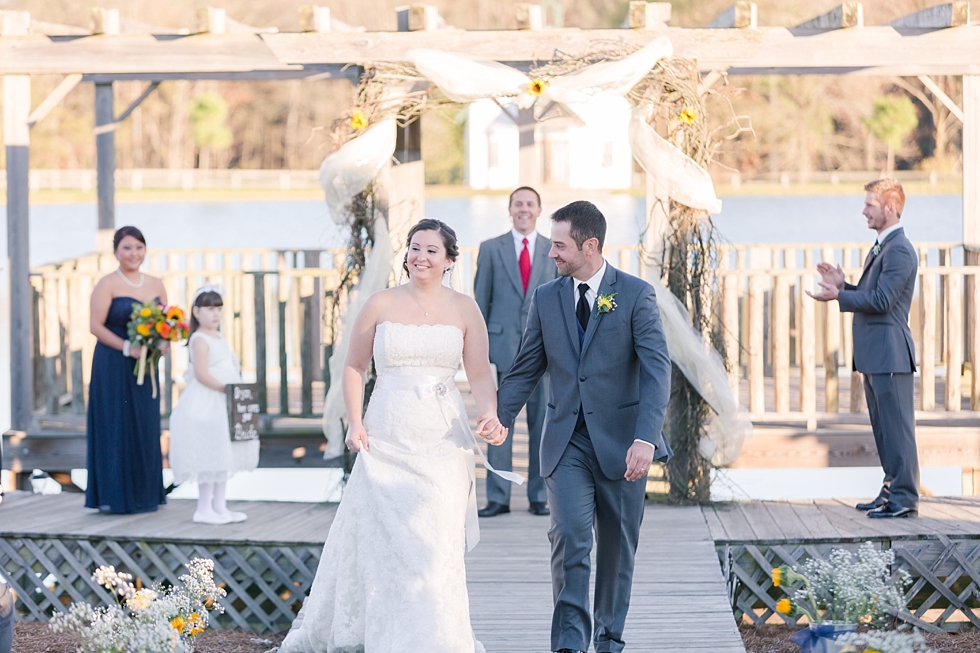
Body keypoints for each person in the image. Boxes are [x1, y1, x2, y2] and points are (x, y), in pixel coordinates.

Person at [279, 218, 516, 653]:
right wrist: (355, 422)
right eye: (414, 247)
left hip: (442, 440)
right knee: (385, 539)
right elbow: (354, 367)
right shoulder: (379, 304)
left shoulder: (465, 309)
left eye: (431, 250)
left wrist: (489, 414)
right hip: (386, 435)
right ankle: (382, 632)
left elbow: (481, 372)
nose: (420, 257)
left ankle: (436, 637)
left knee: (435, 538)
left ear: (448, 260)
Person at [496, 201, 672, 653]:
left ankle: (609, 639)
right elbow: (524, 368)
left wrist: (645, 438)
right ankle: (569, 644)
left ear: (589, 246)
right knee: (570, 536)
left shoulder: (634, 295)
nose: (550, 253)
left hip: (623, 445)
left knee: (615, 549)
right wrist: (497, 417)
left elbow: (657, 372)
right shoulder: (547, 297)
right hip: (565, 443)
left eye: (559, 245)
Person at [808, 179, 919, 519]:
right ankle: (890, 492)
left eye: (870, 204)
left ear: (889, 207)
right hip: (876, 355)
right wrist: (845, 286)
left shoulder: (899, 249)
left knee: (898, 431)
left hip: (890, 354)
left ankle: (904, 498)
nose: (863, 210)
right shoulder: (882, 246)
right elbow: (874, 294)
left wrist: (839, 296)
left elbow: (883, 301)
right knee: (884, 429)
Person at [474, 186, 557, 517]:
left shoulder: (554, 250)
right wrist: (477, 351)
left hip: (545, 352)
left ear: (539, 210)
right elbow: (480, 303)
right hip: (502, 349)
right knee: (498, 424)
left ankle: (540, 497)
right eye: (518, 204)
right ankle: (498, 496)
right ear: (510, 209)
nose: (524, 209)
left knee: (543, 426)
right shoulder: (491, 249)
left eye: (530, 204)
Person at [86, 226, 168, 514]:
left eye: (139, 247)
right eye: (127, 247)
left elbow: (164, 323)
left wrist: (163, 342)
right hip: (113, 362)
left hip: (146, 365)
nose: (134, 253)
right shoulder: (107, 284)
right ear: (115, 252)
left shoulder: (156, 283)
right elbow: (95, 326)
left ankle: (145, 495)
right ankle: (115, 496)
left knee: (145, 424)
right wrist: (125, 347)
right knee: (117, 423)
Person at [168, 286, 259, 525]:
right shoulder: (199, 339)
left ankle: (220, 506)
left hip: (226, 401)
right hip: (209, 399)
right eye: (210, 309)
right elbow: (201, 374)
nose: (215, 314)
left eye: (219, 309)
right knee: (209, 452)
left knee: (223, 452)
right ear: (196, 312)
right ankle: (203, 508)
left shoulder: (220, 336)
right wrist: (227, 390)